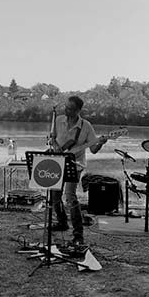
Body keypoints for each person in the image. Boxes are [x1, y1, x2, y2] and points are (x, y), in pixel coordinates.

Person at [50, 96, 108, 245]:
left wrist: (100, 143)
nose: (66, 110)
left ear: (77, 110)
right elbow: (53, 139)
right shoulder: (58, 120)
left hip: (75, 165)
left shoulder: (86, 126)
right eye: (66, 107)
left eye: (69, 108)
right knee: (55, 196)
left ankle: (78, 234)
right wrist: (56, 147)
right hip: (57, 162)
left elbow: (94, 149)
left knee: (70, 196)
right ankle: (62, 222)